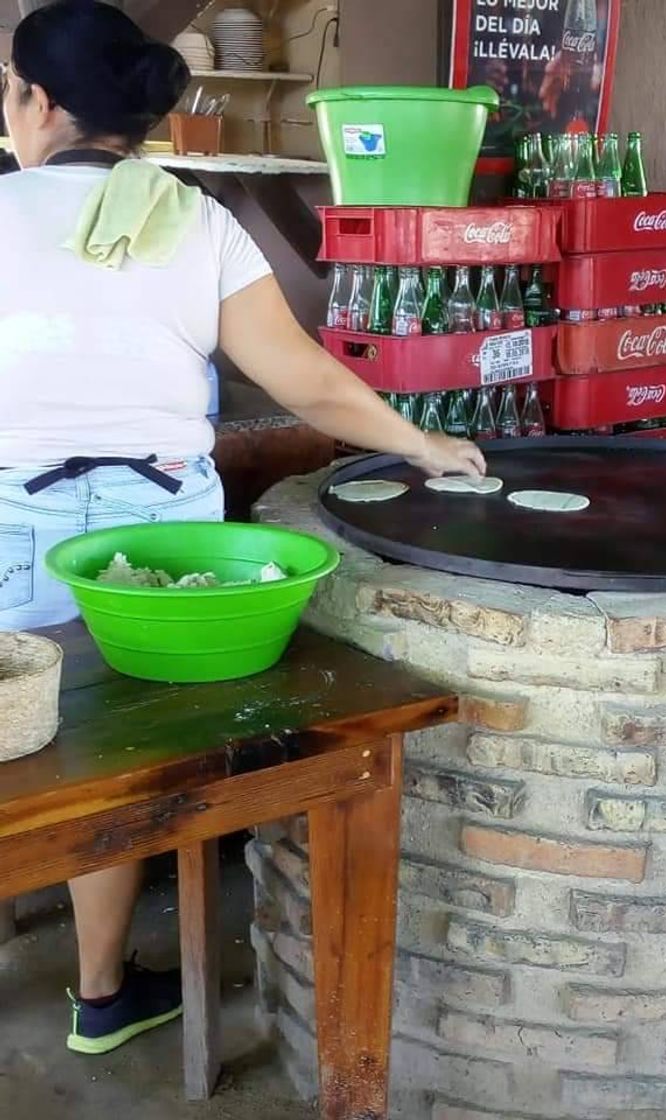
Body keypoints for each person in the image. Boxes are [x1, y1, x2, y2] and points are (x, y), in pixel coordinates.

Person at [0, 0, 485, 1057]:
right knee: (122, 762)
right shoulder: (195, 219)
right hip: (168, 549)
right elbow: (307, 378)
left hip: (13, 526)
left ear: (36, 100)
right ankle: (100, 991)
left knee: (27, 749)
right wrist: (425, 447)